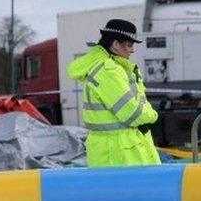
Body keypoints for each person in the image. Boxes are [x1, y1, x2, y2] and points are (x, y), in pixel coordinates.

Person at [68, 19, 160, 167]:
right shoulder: (108, 71)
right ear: (116, 45)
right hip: (119, 151)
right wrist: (152, 115)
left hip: (118, 148)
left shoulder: (114, 68)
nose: (132, 50)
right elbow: (132, 113)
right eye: (129, 45)